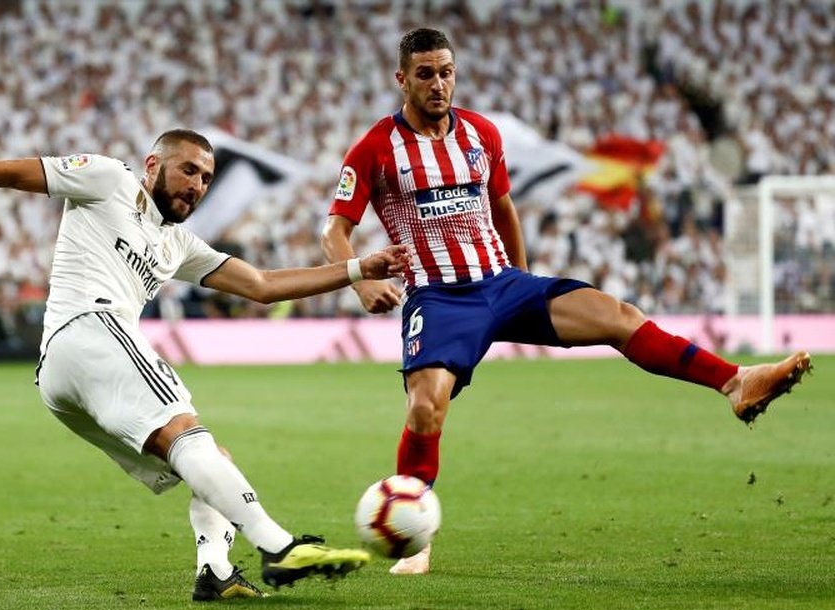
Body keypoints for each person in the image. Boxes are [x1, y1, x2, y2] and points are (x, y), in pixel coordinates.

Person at [321, 28, 812, 576]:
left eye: (447, 72)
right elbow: (335, 231)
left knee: (619, 317)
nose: (439, 84)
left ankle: (735, 382)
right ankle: (418, 536)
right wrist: (360, 280)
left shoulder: (481, 133)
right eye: (426, 74)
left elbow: (503, 208)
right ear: (402, 79)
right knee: (426, 405)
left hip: (502, 284)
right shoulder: (374, 148)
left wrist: (520, 282)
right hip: (440, 298)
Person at [0, 130, 411, 600]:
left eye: (205, 179)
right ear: (154, 165)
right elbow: (6, 171)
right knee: (189, 434)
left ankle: (215, 572)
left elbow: (262, 286)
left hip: (64, 375)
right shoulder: (108, 180)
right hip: (89, 329)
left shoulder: (178, 244)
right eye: (188, 170)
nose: (196, 185)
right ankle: (278, 546)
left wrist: (358, 268)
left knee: (206, 456)